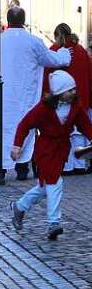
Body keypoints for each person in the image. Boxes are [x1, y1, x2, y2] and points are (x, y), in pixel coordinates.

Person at [0, 7, 71, 181]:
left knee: (3, 131)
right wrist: (64, 52)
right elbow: (52, 60)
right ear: (24, 20)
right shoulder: (33, 41)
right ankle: (22, 166)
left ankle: (1, 166)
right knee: (25, 129)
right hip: (25, 95)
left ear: (7, 21)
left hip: (3, 97)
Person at [10, 71, 92, 240]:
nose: (74, 93)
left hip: (61, 150)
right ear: (59, 93)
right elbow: (24, 125)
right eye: (70, 90)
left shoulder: (76, 106)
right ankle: (54, 222)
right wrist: (17, 146)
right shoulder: (43, 108)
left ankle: (20, 206)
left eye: (74, 89)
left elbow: (85, 125)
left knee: (46, 187)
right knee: (55, 182)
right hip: (45, 150)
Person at [40, 23, 92, 175]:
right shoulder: (81, 50)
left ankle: (67, 166)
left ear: (57, 36)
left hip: (62, 99)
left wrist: (46, 97)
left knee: (64, 133)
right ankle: (80, 164)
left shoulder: (54, 51)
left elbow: (47, 76)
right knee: (80, 131)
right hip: (82, 97)